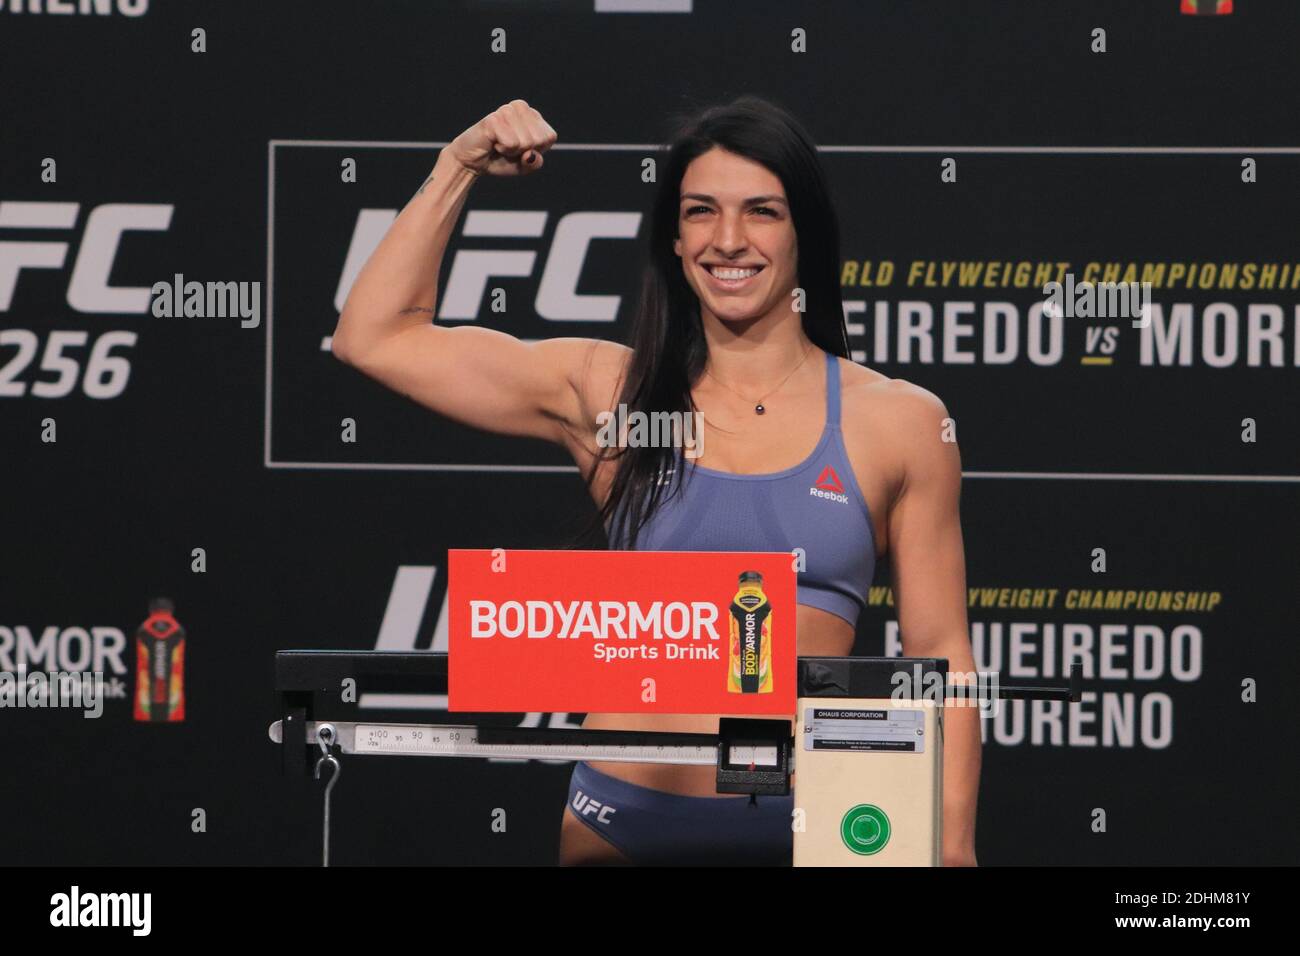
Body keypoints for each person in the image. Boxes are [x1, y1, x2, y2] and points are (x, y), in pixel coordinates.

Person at [330, 96, 980, 867]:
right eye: (701, 211)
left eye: (762, 212)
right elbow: (373, 337)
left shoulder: (901, 422)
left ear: (804, 230)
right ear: (674, 238)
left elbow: (941, 655)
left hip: (823, 826)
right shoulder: (609, 394)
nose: (729, 239)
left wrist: (951, 844)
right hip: (623, 825)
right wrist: (457, 166)